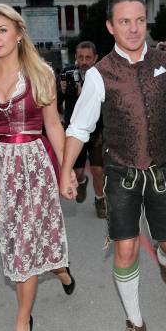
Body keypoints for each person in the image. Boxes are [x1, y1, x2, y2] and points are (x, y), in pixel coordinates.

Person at [60, 0, 166, 331]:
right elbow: (79, 128)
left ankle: (164, 255)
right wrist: (67, 169)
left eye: (139, 20)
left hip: (163, 169)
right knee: (125, 248)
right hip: (121, 173)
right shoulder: (98, 74)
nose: (133, 28)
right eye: (124, 21)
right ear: (111, 26)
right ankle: (135, 322)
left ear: (147, 22)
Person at [0, 3, 75, 331]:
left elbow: (53, 126)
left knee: (24, 246)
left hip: (34, 166)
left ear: (18, 33)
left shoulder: (40, 74)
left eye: (2, 30)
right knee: (20, 241)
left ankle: (23, 320)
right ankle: (60, 269)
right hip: (0, 171)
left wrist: (67, 170)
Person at [58, 41, 106, 218]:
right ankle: (82, 181)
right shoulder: (68, 73)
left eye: (88, 57)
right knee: (77, 172)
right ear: (75, 58)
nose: (84, 61)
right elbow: (55, 101)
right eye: (80, 57)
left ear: (95, 58)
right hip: (74, 131)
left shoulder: (102, 76)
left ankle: (100, 200)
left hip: (97, 131)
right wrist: (62, 89)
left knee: (98, 169)